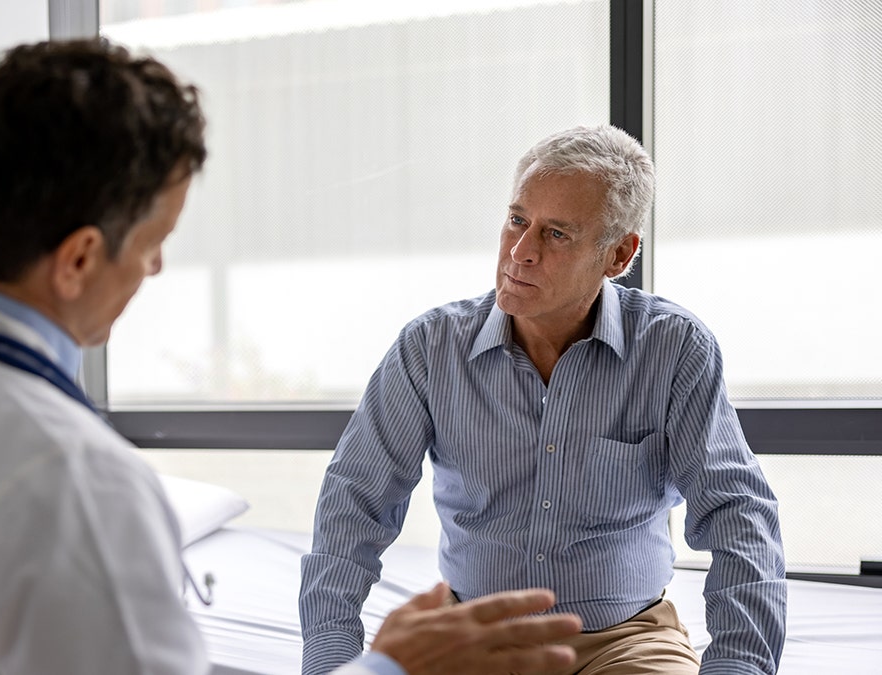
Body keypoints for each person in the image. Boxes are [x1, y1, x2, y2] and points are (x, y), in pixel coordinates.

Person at [0, 39, 583, 675]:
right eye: (155, 240)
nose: (154, 268)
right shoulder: (70, 479)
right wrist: (391, 665)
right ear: (80, 258)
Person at [298, 125, 787, 675]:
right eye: (517, 221)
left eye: (556, 234)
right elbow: (353, 506)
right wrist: (331, 662)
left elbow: (737, 515)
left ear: (618, 254)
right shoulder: (430, 348)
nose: (521, 252)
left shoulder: (674, 348)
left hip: (625, 640)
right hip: (473, 639)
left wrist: (736, 668)